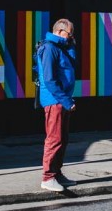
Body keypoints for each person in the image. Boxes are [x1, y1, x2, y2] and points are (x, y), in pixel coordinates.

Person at [36, 18, 77, 192]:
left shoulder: (60, 47)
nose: (71, 37)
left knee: (63, 139)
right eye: (69, 34)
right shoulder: (50, 48)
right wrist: (66, 101)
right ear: (60, 32)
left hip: (62, 99)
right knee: (54, 139)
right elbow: (50, 79)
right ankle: (48, 177)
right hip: (55, 101)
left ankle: (57, 174)